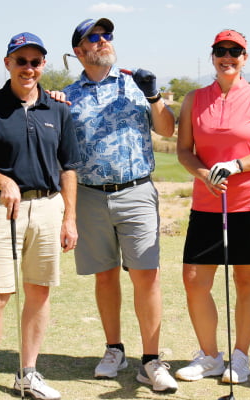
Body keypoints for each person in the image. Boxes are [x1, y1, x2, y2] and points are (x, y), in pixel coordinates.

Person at [61, 18, 178, 393]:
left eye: (107, 34)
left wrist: (155, 95)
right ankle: (114, 350)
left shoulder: (135, 85)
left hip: (136, 191)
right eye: (94, 37)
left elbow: (166, 129)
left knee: (147, 275)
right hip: (90, 195)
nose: (103, 41)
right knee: (105, 275)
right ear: (79, 51)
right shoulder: (67, 96)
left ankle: (151, 361)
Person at [0, 32, 81, 400]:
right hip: (2, 210)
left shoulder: (59, 109)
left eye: (35, 62)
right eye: (21, 61)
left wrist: (70, 218)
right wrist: (2, 182)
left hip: (49, 208)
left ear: (43, 66)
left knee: (39, 292)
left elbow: (69, 168)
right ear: (7, 64)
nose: (28, 68)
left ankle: (28, 373)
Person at [175, 29, 250, 385]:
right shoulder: (194, 99)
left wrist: (237, 165)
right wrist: (205, 174)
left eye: (235, 51)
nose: (228, 56)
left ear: (245, 57)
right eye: (221, 51)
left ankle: (241, 357)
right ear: (213, 57)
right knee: (194, 280)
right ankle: (209, 356)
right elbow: (184, 150)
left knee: (246, 279)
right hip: (208, 203)